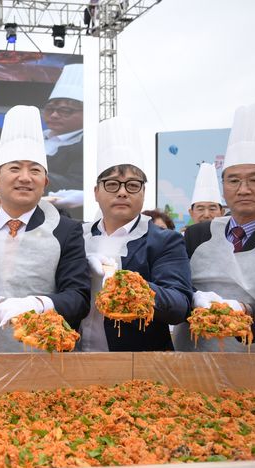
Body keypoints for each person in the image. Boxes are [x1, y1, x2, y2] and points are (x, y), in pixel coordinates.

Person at [0, 105, 90, 352]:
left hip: (49, 358)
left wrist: (38, 304)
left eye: (34, 170)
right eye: (14, 168)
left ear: (45, 182)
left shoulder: (66, 230)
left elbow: (78, 298)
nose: (25, 177)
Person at [82, 117, 192, 351]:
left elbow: (179, 305)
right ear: (96, 192)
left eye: (132, 185)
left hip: (139, 363)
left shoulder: (164, 241)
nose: (122, 192)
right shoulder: (76, 237)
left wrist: (124, 282)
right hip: (74, 357)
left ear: (143, 192)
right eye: (112, 184)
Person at [174, 101, 255, 352]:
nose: (243, 189)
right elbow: (175, 285)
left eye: (254, 179)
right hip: (191, 360)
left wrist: (242, 310)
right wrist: (194, 296)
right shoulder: (197, 235)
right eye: (233, 180)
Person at [43, 64, 84, 196]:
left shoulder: (85, 146)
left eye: (65, 111)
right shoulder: (33, 137)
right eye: (50, 109)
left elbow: (76, 184)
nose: (54, 115)